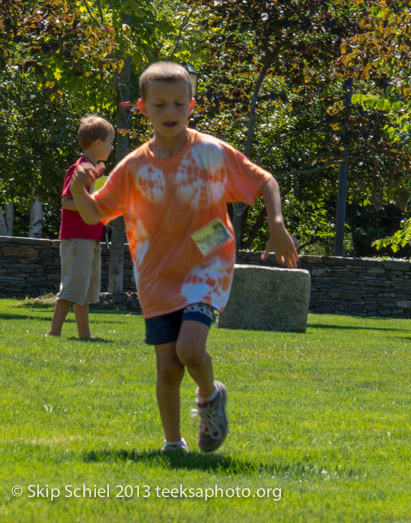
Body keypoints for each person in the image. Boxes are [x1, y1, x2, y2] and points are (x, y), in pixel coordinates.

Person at [70, 61, 299, 453]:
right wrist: (79, 189)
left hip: (207, 264)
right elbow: (93, 213)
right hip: (156, 275)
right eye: (159, 105)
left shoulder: (210, 152)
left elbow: (264, 180)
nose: (170, 112)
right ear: (143, 109)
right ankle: (173, 444)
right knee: (169, 369)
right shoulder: (134, 166)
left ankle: (210, 397)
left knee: (190, 350)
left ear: (192, 105)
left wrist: (276, 223)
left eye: (178, 103)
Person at [48, 115, 114, 339]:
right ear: (98, 143)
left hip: (90, 238)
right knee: (72, 287)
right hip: (77, 238)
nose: (112, 146)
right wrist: (93, 204)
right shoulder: (79, 169)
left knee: (83, 290)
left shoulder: (97, 172)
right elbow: (66, 201)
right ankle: (54, 331)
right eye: (110, 142)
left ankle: (85, 335)